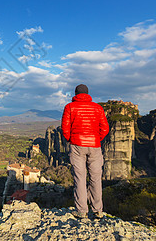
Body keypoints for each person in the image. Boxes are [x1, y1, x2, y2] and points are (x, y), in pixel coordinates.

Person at [61, 84, 109, 219]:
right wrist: (96, 139)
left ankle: (82, 211)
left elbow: (64, 128)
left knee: (80, 178)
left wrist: (71, 139)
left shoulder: (69, 107)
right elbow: (105, 128)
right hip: (95, 146)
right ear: (88, 94)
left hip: (77, 145)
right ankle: (98, 210)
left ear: (75, 94)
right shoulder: (98, 108)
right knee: (95, 178)